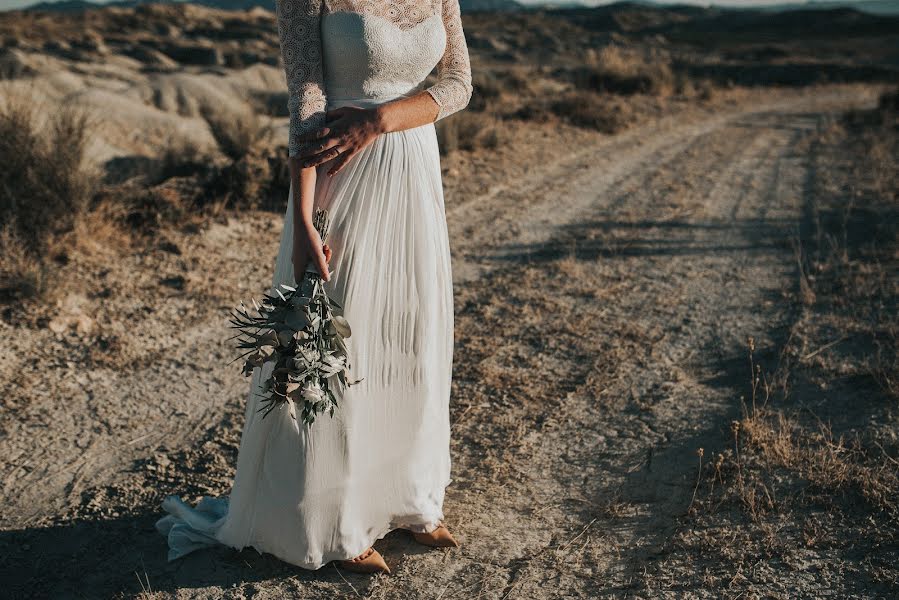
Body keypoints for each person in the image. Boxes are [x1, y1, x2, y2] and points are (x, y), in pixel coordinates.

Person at [155, 0, 473, 575]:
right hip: (341, 178)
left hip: (413, 167)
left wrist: (382, 120)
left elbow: (458, 84)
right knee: (335, 347)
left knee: (410, 334)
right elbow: (307, 102)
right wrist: (303, 217)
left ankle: (411, 498)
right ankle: (338, 519)